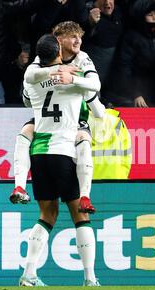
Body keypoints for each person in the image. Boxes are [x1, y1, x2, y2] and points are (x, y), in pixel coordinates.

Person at [19, 34, 100, 287]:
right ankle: (90, 278)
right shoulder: (73, 81)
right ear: (59, 52)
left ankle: (29, 274)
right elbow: (95, 88)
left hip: (39, 155)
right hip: (64, 152)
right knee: (80, 216)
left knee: (47, 214)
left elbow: (31, 77)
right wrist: (74, 75)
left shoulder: (32, 81)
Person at [10, 21, 105, 214]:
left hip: (74, 114)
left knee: (83, 137)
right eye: (72, 36)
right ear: (58, 41)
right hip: (50, 117)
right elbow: (29, 77)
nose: (78, 40)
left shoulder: (82, 58)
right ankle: (19, 186)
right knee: (26, 130)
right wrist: (55, 72)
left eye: (79, 36)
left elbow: (95, 86)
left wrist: (73, 80)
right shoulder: (43, 57)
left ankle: (85, 195)